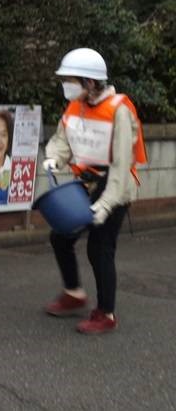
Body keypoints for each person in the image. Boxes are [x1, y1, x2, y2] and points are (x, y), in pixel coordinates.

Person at [41, 47, 147, 335]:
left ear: (89, 81)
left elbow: (122, 164)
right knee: (61, 236)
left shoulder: (119, 110)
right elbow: (63, 138)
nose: (66, 85)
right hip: (86, 184)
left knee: (99, 247)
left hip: (115, 186)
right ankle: (74, 293)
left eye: (70, 80)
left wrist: (107, 204)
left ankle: (106, 313)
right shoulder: (76, 105)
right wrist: (55, 157)